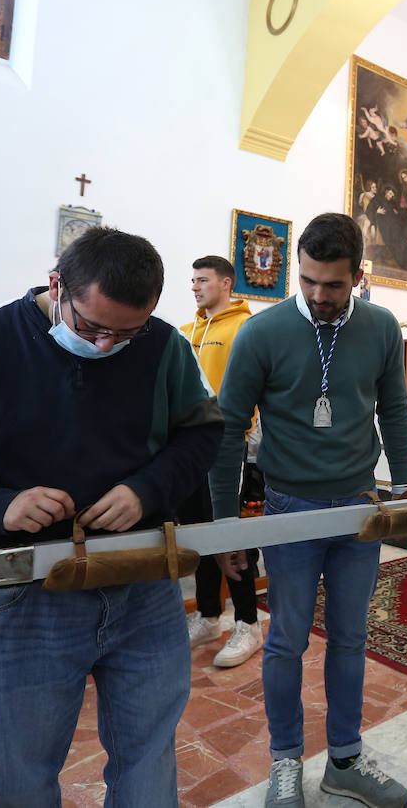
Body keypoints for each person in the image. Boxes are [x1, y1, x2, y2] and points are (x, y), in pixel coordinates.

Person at [0, 227, 223, 805]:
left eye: (127, 332)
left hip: (143, 584)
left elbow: (203, 434)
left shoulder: (163, 344)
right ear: (57, 286)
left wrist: (148, 489)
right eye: (93, 327)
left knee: (149, 755)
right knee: (23, 772)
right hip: (26, 592)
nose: (108, 347)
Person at [210, 212, 407, 808]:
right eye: (308, 282)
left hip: (357, 507)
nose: (320, 297)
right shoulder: (262, 333)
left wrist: (401, 490)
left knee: (351, 638)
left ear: (357, 276)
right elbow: (227, 431)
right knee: (286, 642)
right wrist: (227, 527)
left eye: (334, 285)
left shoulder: (380, 329)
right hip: (290, 508)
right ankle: (285, 761)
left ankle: (345, 760)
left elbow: (395, 412)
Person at [180, 255, 264, 669]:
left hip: (231, 447)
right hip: (190, 449)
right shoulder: (185, 330)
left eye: (203, 280)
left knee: (232, 536)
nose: (195, 287)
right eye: (192, 281)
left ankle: (249, 622)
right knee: (200, 536)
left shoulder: (245, 329)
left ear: (227, 283)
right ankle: (209, 616)